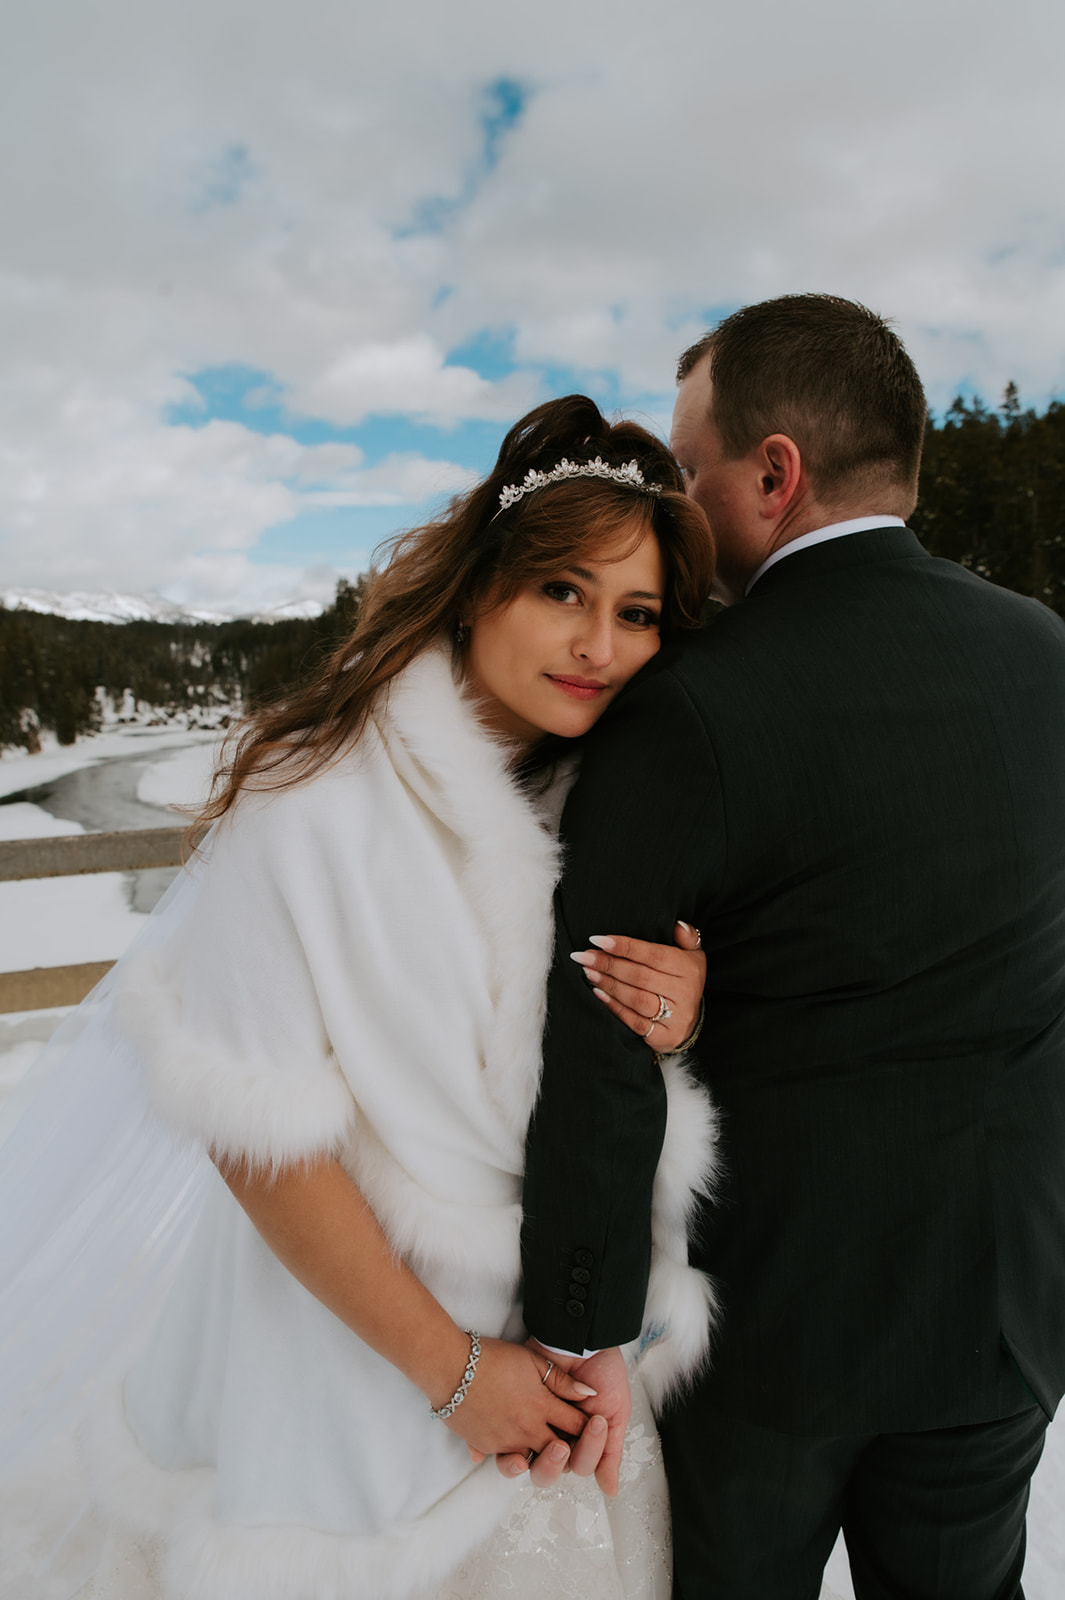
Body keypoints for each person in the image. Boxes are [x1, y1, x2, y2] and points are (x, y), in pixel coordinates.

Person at [0, 395, 719, 1600]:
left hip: (563, 1363)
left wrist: (680, 1016)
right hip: (346, 1366)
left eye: (636, 612)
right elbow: (256, 1141)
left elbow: (602, 1088)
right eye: (564, 592)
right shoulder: (309, 800)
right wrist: (453, 1373)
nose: (599, 642)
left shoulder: (614, 803)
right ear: (482, 585)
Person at [521, 296, 1065, 1598]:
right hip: (1006, 1301)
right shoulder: (1046, 654)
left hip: (771, 1331)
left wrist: (582, 1328)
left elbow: (598, 1025)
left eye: (694, 465)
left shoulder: (692, 706)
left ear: (774, 472)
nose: (680, 497)